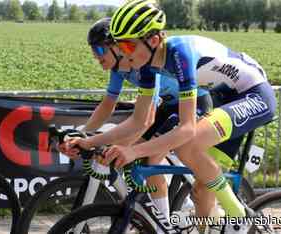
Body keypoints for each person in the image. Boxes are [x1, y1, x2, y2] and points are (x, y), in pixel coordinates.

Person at [97, 0, 275, 233]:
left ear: (153, 41)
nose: (122, 53)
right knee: (201, 193)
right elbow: (139, 121)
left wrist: (132, 151)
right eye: (119, 47)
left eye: (128, 46)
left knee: (187, 144)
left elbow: (187, 128)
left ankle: (240, 217)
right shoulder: (149, 66)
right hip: (224, 96)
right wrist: (88, 140)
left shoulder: (180, 53)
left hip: (254, 94)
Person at [60, 17, 213, 222]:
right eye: (93, 53)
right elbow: (107, 105)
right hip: (167, 105)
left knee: (150, 158)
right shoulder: (118, 69)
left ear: (114, 45)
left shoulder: (144, 63)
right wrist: (84, 134)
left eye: (99, 51)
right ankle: (159, 211)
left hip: (193, 102)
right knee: (134, 155)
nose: (97, 58)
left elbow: (146, 120)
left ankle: (161, 224)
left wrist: (121, 146)